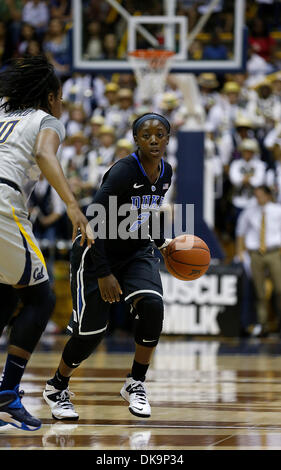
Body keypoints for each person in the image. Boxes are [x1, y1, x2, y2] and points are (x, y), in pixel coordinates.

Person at [43, 112, 173, 420]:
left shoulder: (166, 171)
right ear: (136, 139)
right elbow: (92, 223)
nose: (153, 139)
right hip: (95, 251)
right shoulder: (123, 172)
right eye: (146, 135)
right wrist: (104, 273)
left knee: (153, 306)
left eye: (159, 134)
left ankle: (136, 382)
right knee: (91, 333)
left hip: (136, 250)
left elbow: (144, 214)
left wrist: (163, 243)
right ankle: (57, 386)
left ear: (168, 139)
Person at [0, 55, 91, 431]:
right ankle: (7, 394)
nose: (63, 104)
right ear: (51, 96)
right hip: (4, 206)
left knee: (6, 295)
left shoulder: (2, 118)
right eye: (63, 97)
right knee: (42, 297)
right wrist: (73, 206)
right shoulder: (46, 120)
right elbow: (43, 154)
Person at [236, 185, 281, 337]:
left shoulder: (277, 210)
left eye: (261, 195)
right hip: (255, 253)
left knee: (279, 289)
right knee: (259, 292)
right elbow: (240, 231)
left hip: (274, 252)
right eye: (256, 195)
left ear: (268, 196)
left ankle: (279, 323)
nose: (258, 198)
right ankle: (263, 325)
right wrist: (240, 251)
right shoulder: (250, 211)